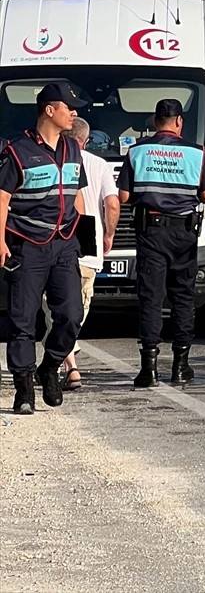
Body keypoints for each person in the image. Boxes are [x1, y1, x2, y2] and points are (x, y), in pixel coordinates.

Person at [0, 82, 89, 414]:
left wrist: (86, 239)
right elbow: (2, 199)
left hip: (65, 244)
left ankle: (49, 366)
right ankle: (24, 388)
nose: (74, 112)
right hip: (27, 245)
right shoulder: (17, 150)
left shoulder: (73, 149)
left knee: (71, 315)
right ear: (50, 110)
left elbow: (78, 196)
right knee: (22, 320)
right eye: (69, 107)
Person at [117, 99, 205, 387]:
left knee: (151, 298)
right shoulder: (195, 153)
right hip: (184, 233)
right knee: (183, 297)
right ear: (179, 122)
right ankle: (180, 366)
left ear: (154, 121)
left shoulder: (137, 151)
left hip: (151, 232)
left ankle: (148, 369)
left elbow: (123, 197)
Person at [58, 118, 120, 390]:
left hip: (57, 242)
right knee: (80, 305)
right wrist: (108, 233)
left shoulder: (53, 159)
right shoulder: (99, 164)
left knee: (56, 306)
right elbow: (113, 203)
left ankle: (67, 359)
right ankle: (69, 362)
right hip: (88, 244)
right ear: (85, 140)